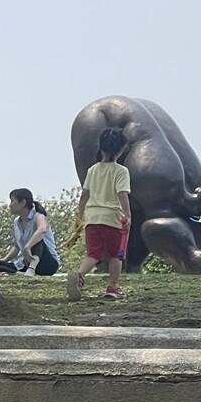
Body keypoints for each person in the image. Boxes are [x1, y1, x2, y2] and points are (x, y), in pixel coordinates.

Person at [68, 127, 131, 301]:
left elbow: (84, 196)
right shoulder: (121, 171)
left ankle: (79, 274)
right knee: (116, 255)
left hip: (92, 218)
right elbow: (122, 194)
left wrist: (80, 218)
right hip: (113, 218)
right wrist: (128, 216)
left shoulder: (92, 170)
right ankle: (113, 286)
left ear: (101, 148)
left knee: (93, 254)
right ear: (121, 149)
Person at [0, 189, 61, 275]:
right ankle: (19, 273)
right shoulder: (16, 222)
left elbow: (42, 230)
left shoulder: (38, 216)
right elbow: (17, 247)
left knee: (37, 239)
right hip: (25, 262)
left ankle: (31, 270)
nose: (10, 205)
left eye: (12, 201)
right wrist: (4, 260)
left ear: (22, 203)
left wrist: (27, 247)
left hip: (47, 263)